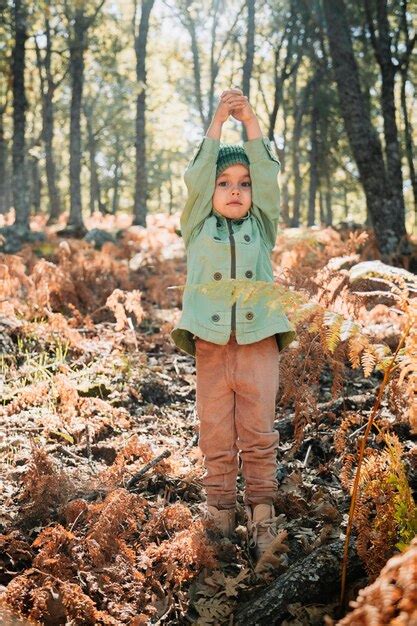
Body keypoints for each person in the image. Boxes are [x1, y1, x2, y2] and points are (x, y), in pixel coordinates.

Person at [171, 88, 297, 561]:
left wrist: (251, 124)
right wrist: (217, 122)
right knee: (217, 429)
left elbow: (268, 178)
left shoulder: (261, 226)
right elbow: (197, 179)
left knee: (259, 430)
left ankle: (262, 512)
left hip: (259, 341)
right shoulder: (197, 224)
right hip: (211, 343)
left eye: (242, 183)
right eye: (225, 182)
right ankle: (220, 512)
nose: (235, 190)